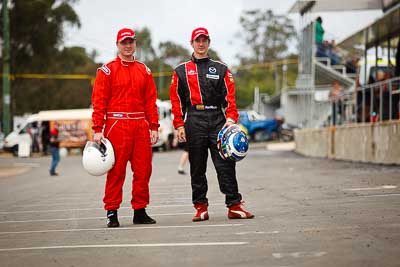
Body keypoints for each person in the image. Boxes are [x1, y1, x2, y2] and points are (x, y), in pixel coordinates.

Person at [169, 27, 254, 222]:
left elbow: (230, 99)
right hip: (194, 118)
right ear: (191, 43)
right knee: (197, 167)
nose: (201, 43)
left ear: (209, 42)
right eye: (197, 40)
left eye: (204, 40)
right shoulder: (180, 71)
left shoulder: (221, 68)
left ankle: (234, 205)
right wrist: (179, 125)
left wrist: (231, 119)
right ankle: (200, 207)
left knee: (225, 164)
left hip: (218, 119)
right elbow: (176, 101)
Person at [91, 28, 159, 227]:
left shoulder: (144, 70)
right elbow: (99, 102)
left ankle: (140, 210)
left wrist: (153, 126)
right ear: (118, 45)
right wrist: (97, 129)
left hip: (140, 125)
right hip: (116, 125)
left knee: (143, 170)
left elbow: (150, 101)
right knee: (116, 171)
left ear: (135, 44)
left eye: (131, 42)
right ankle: (112, 212)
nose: (128, 45)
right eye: (124, 42)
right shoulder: (107, 70)